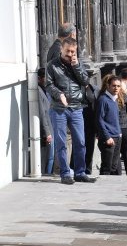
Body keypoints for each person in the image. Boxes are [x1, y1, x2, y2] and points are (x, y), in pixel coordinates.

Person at [46, 37, 95, 184]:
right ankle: (65, 173)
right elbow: (49, 84)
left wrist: (77, 66)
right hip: (59, 109)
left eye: (73, 52)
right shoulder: (52, 65)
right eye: (67, 51)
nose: (70, 54)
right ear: (62, 49)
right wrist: (59, 94)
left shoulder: (78, 63)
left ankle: (80, 172)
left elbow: (85, 82)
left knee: (80, 141)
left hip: (76, 107)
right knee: (61, 142)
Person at [96, 75, 122, 175]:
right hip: (109, 138)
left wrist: (119, 133)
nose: (116, 88)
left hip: (117, 136)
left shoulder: (114, 99)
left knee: (113, 166)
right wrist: (107, 137)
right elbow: (99, 120)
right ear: (108, 86)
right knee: (107, 167)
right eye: (114, 86)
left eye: (118, 86)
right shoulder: (103, 99)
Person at [37, 68, 54, 174]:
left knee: (51, 157)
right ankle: (45, 175)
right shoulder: (38, 91)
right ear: (39, 78)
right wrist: (47, 133)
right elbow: (42, 114)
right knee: (48, 158)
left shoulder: (47, 90)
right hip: (47, 131)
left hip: (52, 128)